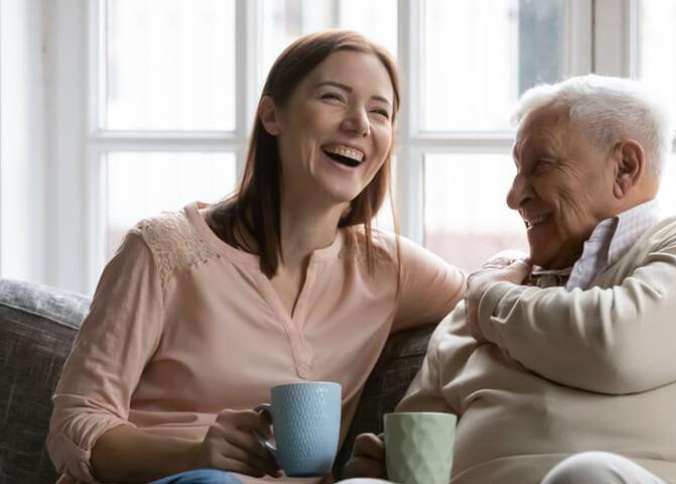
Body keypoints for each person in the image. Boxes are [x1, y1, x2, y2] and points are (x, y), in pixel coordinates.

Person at [46, 30, 465, 484]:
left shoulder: (389, 270)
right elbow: (75, 424)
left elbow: (498, 294)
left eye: (380, 112)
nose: (360, 123)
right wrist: (195, 455)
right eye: (333, 97)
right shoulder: (163, 251)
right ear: (271, 115)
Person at [342, 75, 676, 484]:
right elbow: (421, 438)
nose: (514, 196)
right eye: (517, 170)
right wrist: (388, 465)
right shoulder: (474, 311)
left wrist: (491, 297)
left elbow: (617, 347)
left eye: (540, 166)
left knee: (585, 477)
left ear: (624, 167)